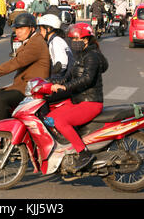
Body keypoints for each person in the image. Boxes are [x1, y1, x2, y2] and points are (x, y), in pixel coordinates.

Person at [46, 22, 109, 171]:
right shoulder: (81, 55)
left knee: (59, 120)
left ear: (86, 39)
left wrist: (65, 87)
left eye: (77, 39)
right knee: (49, 116)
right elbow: (69, 77)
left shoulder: (92, 56)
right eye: (72, 40)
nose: (74, 43)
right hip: (78, 100)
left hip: (90, 102)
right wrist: (49, 83)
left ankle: (83, 153)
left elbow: (86, 79)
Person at [0, 12, 50, 121]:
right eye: (16, 29)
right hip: (23, 86)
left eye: (21, 28)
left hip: (31, 89)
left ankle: (2, 133)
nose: (18, 32)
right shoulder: (30, 41)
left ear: (32, 29)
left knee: (0, 99)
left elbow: (16, 62)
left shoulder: (37, 43)